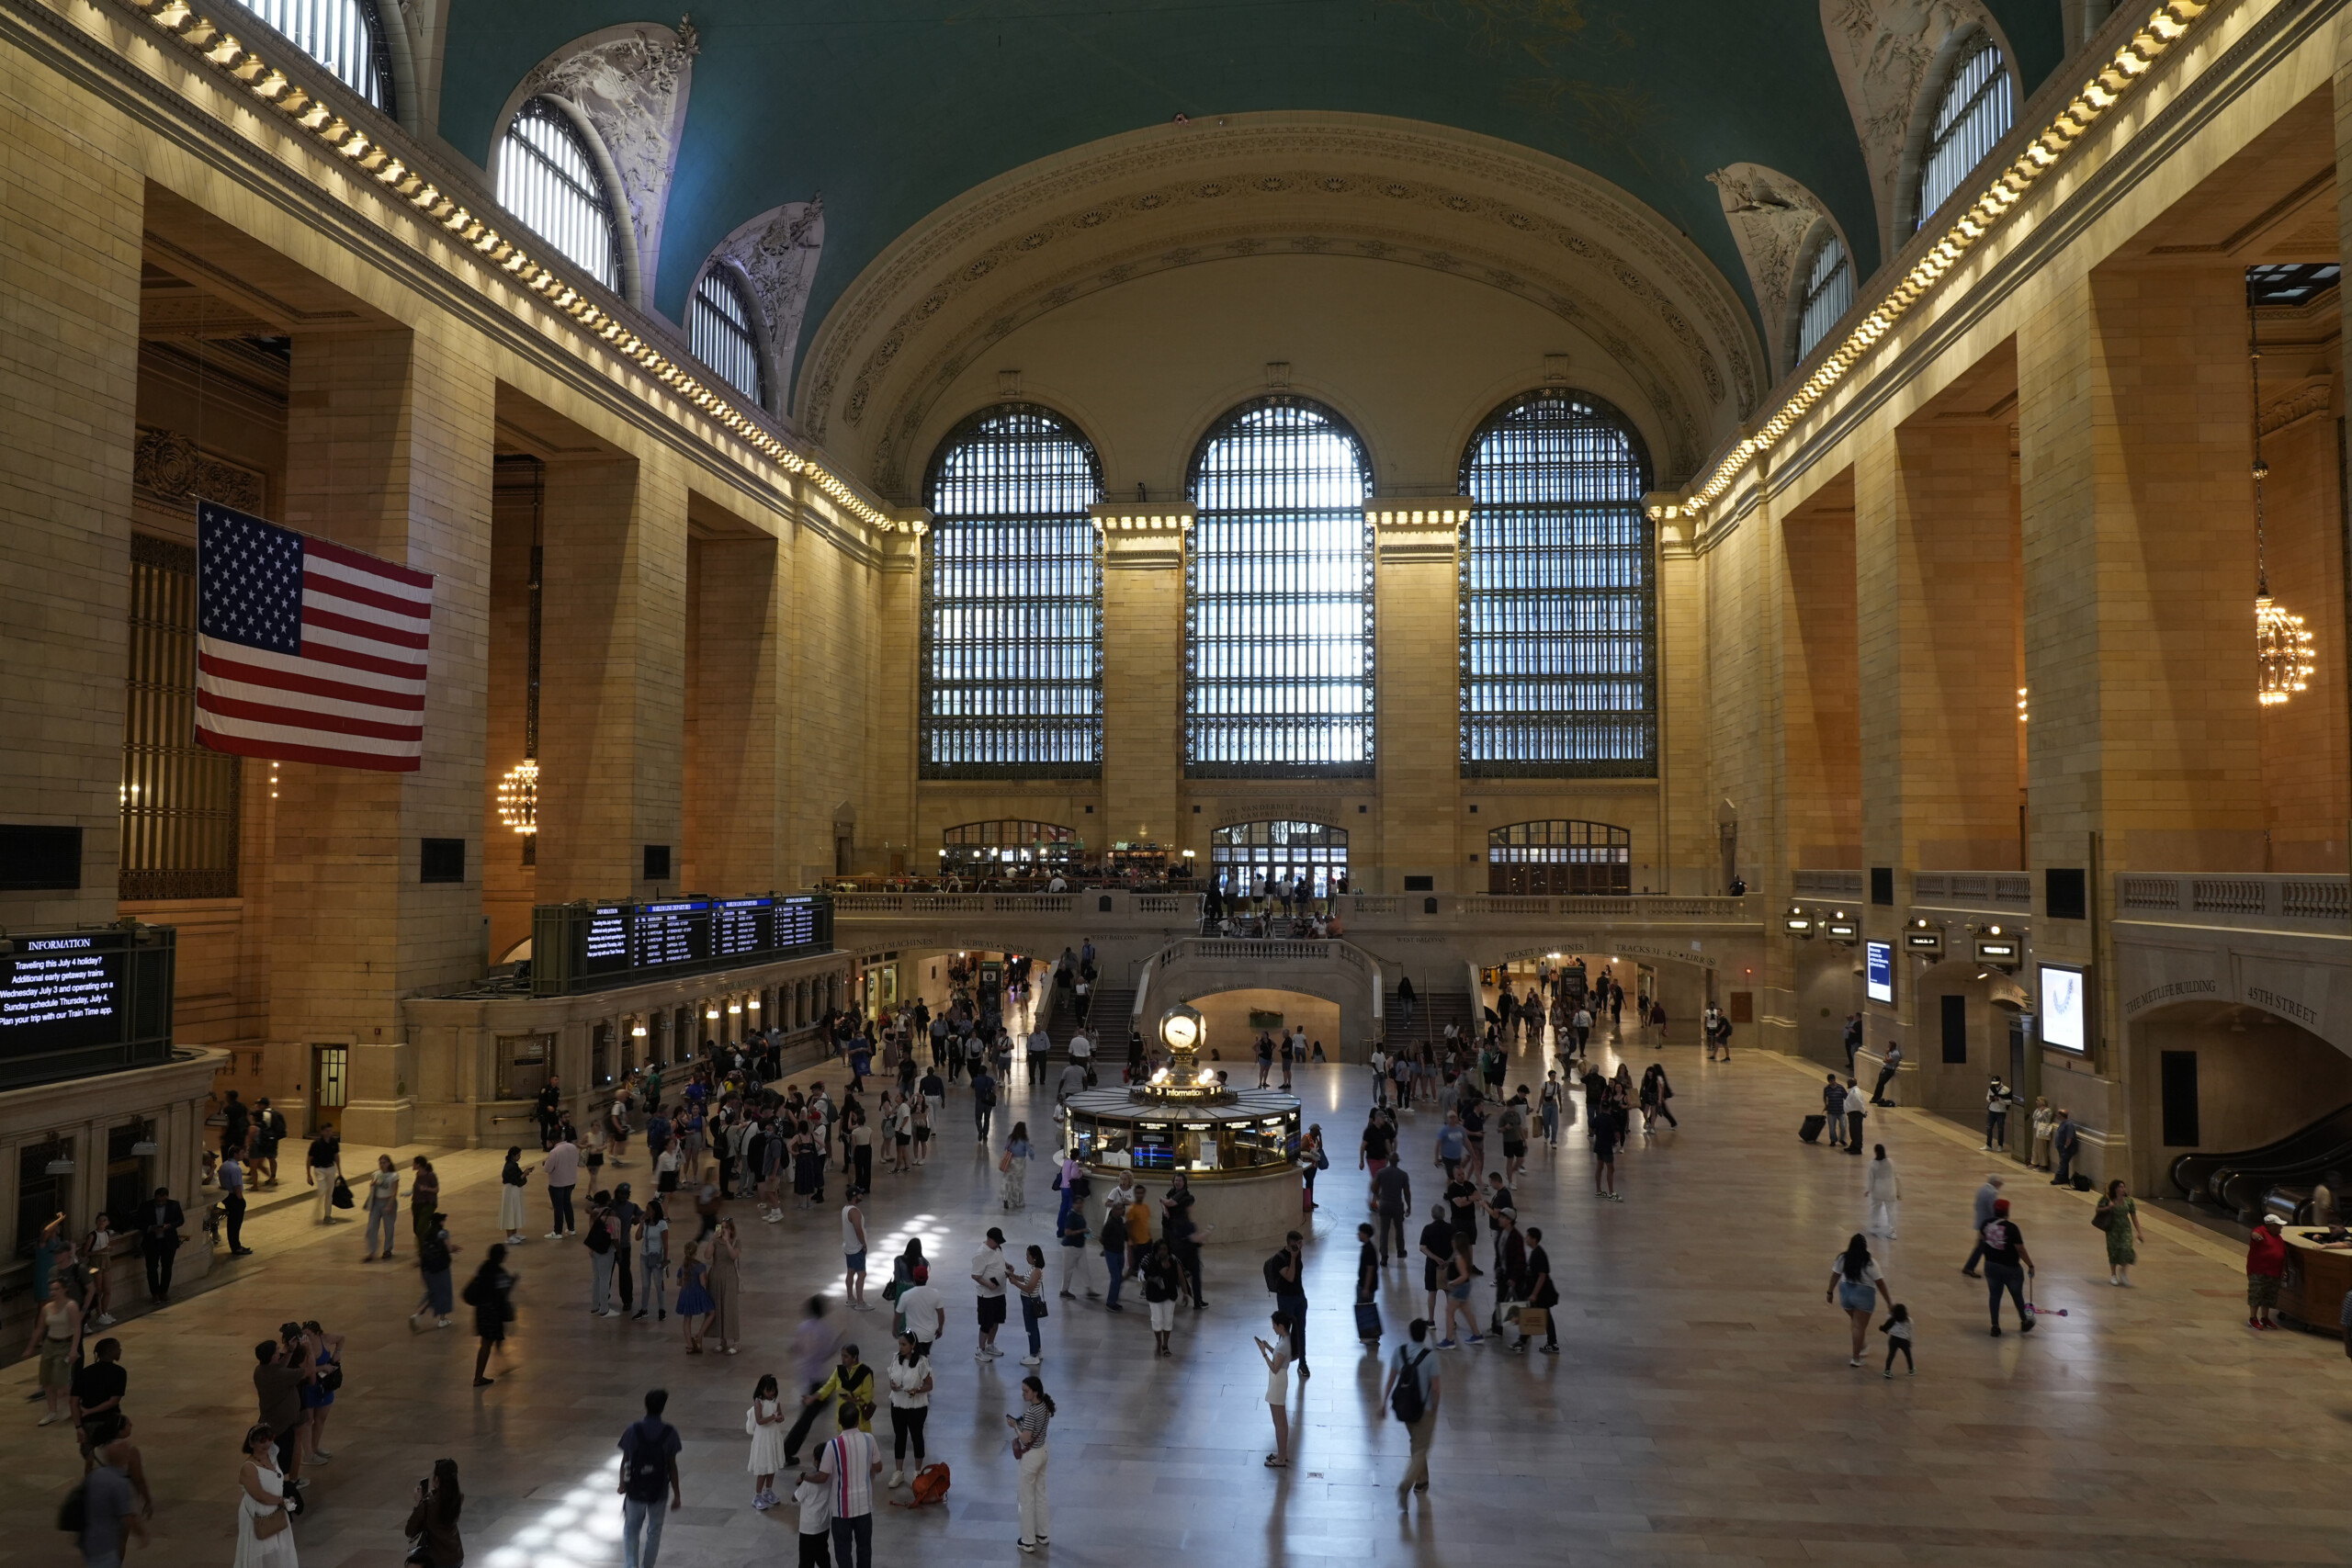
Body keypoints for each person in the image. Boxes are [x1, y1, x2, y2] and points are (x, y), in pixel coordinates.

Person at [616, 1388, 683, 1568]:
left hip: (635, 1489)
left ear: (645, 1405)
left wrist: (622, 1483)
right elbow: (672, 1466)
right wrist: (677, 1495)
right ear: (663, 1407)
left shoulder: (632, 1430)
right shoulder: (670, 1433)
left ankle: (631, 1565)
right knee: (654, 1530)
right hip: (658, 1490)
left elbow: (625, 1460)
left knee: (631, 1529)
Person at [816, 1395, 882, 1568]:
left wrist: (805, 1477)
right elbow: (878, 1467)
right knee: (864, 1548)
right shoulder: (869, 1439)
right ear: (858, 1421)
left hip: (841, 1509)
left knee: (843, 1550)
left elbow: (823, 1476)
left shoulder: (832, 1445)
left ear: (839, 1421)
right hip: (863, 1506)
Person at [74, 1412, 145, 1568]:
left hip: (98, 1504)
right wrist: (146, 1499)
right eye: (129, 1424)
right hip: (117, 1503)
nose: (131, 1426)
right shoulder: (129, 1454)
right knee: (121, 1540)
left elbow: (87, 1477)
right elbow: (138, 1478)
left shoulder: (94, 1452)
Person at [1385, 1317, 1441, 1503]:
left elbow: (1391, 1379)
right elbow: (1435, 1388)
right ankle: (1406, 1483)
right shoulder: (1431, 1357)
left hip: (1405, 1408)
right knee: (1421, 1448)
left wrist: (1383, 1403)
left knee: (1417, 1444)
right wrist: (1435, 1407)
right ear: (1424, 1335)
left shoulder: (1399, 1352)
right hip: (1425, 1409)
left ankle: (1422, 1481)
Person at [232, 1421, 295, 1568]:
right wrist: (282, 1501)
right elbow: (259, 1495)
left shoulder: (272, 1457)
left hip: (275, 1512)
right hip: (258, 1515)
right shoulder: (249, 1467)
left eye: (270, 1439)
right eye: (261, 1440)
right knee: (259, 1552)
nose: (266, 1444)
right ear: (251, 1443)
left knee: (278, 1550)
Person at [1826, 1234, 1890, 1368]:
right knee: (1859, 1326)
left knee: (1856, 1323)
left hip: (1846, 1294)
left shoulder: (1843, 1258)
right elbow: (1880, 1283)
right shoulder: (1870, 1262)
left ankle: (1862, 1346)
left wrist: (1830, 1292)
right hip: (1863, 1296)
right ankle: (1856, 1358)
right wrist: (1889, 1303)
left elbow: (1835, 1276)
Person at [1007, 1375, 1055, 1553]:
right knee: (1040, 1494)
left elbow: (1025, 1439)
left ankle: (1027, 1540)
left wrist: (1015, 1426)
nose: (1023, 1394)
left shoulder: (1032, 1412)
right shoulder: (1045, 1406)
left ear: (1035, 1392)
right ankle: (1043, 1534)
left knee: (1026, 1499)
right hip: (1043, 1452)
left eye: (1026, 1391)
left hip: (1031, 1457)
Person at [26, 1275, 81, 1426]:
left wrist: (73, 1350)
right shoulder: (46, 1308)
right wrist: (30, 1348)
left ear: (64, 1290)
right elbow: (39, 1329)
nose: (53, 1292)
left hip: (64, 1345)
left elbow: (77, 1328)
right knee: (47, 1381)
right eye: (51, 1289)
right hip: (49, 1345)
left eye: (56, 1289)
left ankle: (76, 1405)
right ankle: (52, 1412)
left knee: (61, 1381)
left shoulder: (71, 1306)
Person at [1980, 1198, 2036, 1336]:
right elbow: (2020, 1249)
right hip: (2010, 1268)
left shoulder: (1986, 1224)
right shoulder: (2012, 1228)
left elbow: (1983, 1240)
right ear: (2007, 1212)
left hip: (1991, 1265)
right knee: (2017, 1295)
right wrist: (2030, 1264)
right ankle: (2024, 1321)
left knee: (1994, 1296)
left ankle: (1995, 1325)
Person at [885, 1332, 933, 1489]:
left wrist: (917, 1390)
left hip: (916, 1407)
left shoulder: (922, 1362)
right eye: (900, 1344)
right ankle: (898, 1472)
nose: (901, 1347)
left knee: (916, 1437)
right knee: (900, 1436)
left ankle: (918, 1472)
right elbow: (892, 1377)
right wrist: (892, 1385)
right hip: (898, 1404)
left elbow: (929, 1385)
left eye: (904, 1344)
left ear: (913, 1345)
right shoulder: (896, 1358)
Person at [464, 1245, 516, 1386]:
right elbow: (504, 1292)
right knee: (487, 1344)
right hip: (493, 1312)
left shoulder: (483, 1267)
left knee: (486, 1342)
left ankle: (482, 1373)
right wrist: (512, 1282)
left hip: (481, 1310)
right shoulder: (499, 1272)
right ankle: (478, 1377)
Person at [404, 1458, 464, 1567]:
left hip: (437, 1561)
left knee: (411, 1564)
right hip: (456, 1556)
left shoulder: (427, 1505)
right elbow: (444, 1499)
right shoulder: (458, 1497)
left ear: (437, 1480)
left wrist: (419, 1504)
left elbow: (410, 1531)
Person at [1266, 1229, 1309, 1378]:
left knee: (1301, 1331)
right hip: (1286, 1299)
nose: (1300, 1246)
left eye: (1301, 1243)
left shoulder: (1298, 1254)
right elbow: (1290, 1277)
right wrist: (1292, 1257)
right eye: (1297, 1244)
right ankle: (1279, 1363)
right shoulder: (1279, 1258)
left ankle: (1302, 1363)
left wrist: (1295, 1256)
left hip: (1299, 1297)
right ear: (1290, 1244)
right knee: (1284, 1332)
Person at [298, 1319, 343, 1462]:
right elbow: (303, 1371)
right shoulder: (302, 1349)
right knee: (308, 1421)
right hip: (309, 1388)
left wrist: (338, 1352)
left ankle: (315, 1447)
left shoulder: (325, 1339)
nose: (305, 1338)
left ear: (317, 1333)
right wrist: (322, 1367)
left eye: (308, 1335)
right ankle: (308, 1454)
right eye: (303, 1335)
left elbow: (341, 1338)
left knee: (320, 1418)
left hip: (325, 1386)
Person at [1255, 1312, 1294, 1469]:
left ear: (1281, 1326)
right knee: (1282, 1421)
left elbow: (1275, 1367)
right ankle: (1282, 1453)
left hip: (1277, 1383)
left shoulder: (1284, 1344)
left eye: (1274, 1325)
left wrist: (1263, 1352)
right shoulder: (1285, 1340)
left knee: (1279, 1423)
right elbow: (1278, 1356)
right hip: (1279, 1381)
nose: (1273, 1328)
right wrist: (1269, 1347)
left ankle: (1281, 1459)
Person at [747, 1374, 790, 1510]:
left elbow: (780, 1415)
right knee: (763, 1468)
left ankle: (768, 1491)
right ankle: (757, 1496)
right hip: (763, 1438)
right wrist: (773, 1417)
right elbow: (759, 1421)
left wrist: (780, 1418)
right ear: (762, 1389)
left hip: (773, 1435)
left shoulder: (776, 1400)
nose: (771, 1393)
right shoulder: (758, 1401)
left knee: (772, 1466)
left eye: (773, 1390)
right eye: (768, 1390)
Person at [1515, 1225, 1560, 1354]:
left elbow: (1542, 1275)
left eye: (1527, 1236)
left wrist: (1534, 1294)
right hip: (1541, 1292)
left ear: (1533, 1239)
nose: (1526, 1238)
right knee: (1545, 1316)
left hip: (1542, 1293)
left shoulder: (1538, 1254)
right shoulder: (1536, 1252)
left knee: (1535, 1315)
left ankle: (1522, 1341)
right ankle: (1551, 1343)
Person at [412, 1210, 457, 1329]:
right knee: (444, 1292)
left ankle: (417, 1314)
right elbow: (449, 1249)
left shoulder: (427, 1233)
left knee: (432, 1292)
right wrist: (454, 1248)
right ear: (440, 1222)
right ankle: (442, 1319)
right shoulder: (443, 1233)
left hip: (426, 1268)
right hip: (440, 1267)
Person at [136, 1188, 183, 1303]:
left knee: (167, 1267)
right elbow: (138, 1222)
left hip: (168, 1242)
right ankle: (155, 1294)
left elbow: (180, 1220)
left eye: (162, 1201)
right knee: (152, 1268)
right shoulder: (146, 1206)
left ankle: (164, 1292)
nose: (160, 1203)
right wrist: (151, 1228)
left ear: (167, 1197)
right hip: (152, 1242)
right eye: (158, 1201)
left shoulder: (174, 1205)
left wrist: (169, 1226)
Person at [972, 1226, 1010, 1358]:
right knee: (986, 1324)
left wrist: (1007, 1265)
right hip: (986, 1296)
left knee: (996, 1321)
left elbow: (999, 1261)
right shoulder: (980, 1254)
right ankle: (981, 1350)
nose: (998, 1244)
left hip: (999, 1292)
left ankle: (990, 1344)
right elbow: (975, 1275)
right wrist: (989, 1284)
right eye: (997, 1241)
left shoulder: (997, 1248)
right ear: (989, 1239)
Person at [707, 1217, 742, 1354]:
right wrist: (712, 1240)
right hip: (715, 1276)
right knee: (718, 1307)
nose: (723, 1230)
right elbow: (707, 1255)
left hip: (729, 1278)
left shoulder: (736, 1242)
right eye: (721, 1227)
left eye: (726, 1227)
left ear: (731, 1229)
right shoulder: (716, 1242)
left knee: (729, 1308)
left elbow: (733, 1256)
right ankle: (722, 1340)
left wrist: (727, 1242)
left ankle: (736, 1342)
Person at [2099, 1178, 2145, 1286]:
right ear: (2115, 1189)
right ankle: (2113, 1275)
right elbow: (2098, 1209)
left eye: (2124, 1186)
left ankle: (2123, 1271)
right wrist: (2107, 1208)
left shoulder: (2129, 1201)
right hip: (2112, 1229)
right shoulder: (2107, 1199)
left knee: (2127, 1249)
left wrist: (2139, 1232)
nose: (2123, 1189)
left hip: (2125, 1229)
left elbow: (2134, 1217)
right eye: (2120, 1187)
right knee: (2113, 1251)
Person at [2248, 1213, 2290, 1329]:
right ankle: (2253, 1318)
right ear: (2271, 1225)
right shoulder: (2261, 1231)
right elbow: (2254, 1234)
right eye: (2279, 1225)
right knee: (2256, 1294)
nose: (2281, 1227)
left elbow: (2283, 1255)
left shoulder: (2279, 1238)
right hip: (2259, 1271)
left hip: (2274, 1272)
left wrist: (2284, 1270)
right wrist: (2255, 1236)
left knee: (2269, 1296)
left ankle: (2265, 1318)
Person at [676, 1240, 717, 1351]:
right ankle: (699, 1335)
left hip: (685, 1294)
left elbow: (679, 1283)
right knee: (712, 1313)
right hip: (698, 1293)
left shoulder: (682, 1266)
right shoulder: (700, 1266)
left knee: (687, 1319)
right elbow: (703, 1283)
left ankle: (689, 1345)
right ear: (696, 1252)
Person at [1960, 1174, 2004, 1278]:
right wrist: (1999, 1221)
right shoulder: (1991, 1192)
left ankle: (1974, 1267)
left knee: (1985, 1247)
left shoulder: (1982, 1189)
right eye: (2000, 1184)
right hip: (1988, 1225)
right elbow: (1992, 1209)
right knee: (1984, 1247)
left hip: (1981, 1222)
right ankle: (1970, 1267)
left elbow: (1976, 1205)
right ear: (1996, 1183)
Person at [1372, 1155, 1411, 1265]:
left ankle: (1384, 1257)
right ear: (1398, 1161)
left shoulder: (1381, 1172)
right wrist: (1409, 1206)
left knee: (1384, 1231)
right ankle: (1400, 1251)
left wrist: (1379, 1197)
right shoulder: (1403, 1175)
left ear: (1388, 1160)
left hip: (1384, 1205)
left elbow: (1374, 1187)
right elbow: (1407, 1193)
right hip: (1397, 1205)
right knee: (1399, 1229)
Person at [363, 1155, 401, 1261]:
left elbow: (394, 1191)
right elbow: (373, 1188)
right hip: (376, 1202)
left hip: (388, 1201)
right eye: (380, 1163)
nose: (382, 1165)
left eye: (384, 1163)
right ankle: (372, 1251)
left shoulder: (394, 1175)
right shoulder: (376, 1174)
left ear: (389, 1163)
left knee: (389, 1227)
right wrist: (372, 1184)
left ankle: (387, 1249)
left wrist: (390, 1204)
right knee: (371, 1227)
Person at [220, 1146, 254, 1256]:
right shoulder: (235, 1168)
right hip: (234, 1197)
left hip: (227, 1197)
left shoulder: (224, 1165)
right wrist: (241, 1200)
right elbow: (236, 1186)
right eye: (242, 1153)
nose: (244, 1155)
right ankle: (236, 1247)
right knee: (235, 1224)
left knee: (232, 1223)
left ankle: (235, 1245)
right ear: (235, 1154)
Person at [499, 1146, 535, 1247]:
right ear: (513, 1156)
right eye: (518, 1155)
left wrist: (525, 1172)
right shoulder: (509, 1166)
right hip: (510, 1191)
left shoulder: (513, 1165)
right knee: (510, 1212)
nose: (520, 1157)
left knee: (515, 1211)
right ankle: (509, 1236)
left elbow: (518, 1177)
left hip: (515, 1191)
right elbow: (515, 1180)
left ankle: (514, 1233)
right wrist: (524, 1174)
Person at [306, 1126, 343, 1224]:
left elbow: (336, 1157)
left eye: (331, 1131)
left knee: (330, 1194)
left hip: (331, 1168)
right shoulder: (316, 1144)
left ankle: (327, 1216)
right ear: (322, 1132)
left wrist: (339, 1171)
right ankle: (317, 1208)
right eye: (327, 1131)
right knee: (322, 1190)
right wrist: (308, 1175)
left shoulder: (334, 1142)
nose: (329, 1133)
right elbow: (309, 1159)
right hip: (319, 1169)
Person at [1864, 1145, 1901, 1237]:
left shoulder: (1872, 1164)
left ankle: (1874, 1225)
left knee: (1875, 1208)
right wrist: (1899, 1192)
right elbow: (1896, 1177)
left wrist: (1868, 1190)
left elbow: (1870, 1179)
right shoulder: (1890, 1162)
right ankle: (1892, 1231)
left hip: (1877, 1190)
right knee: (1891, 1211)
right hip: (1890, 1190)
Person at [841, 1195, 869, 1312]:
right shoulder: (854, 1211)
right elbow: (858, 1230)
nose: (861, 1196)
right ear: (853, 1197)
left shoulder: (845, 1208)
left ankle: (850, 1298)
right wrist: (863, 1244)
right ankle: (860, 1302)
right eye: (859, 1194)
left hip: (848, 1246)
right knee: (861, 1274)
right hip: (856, 1248)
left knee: (850, 1272)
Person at [409, 1157, 441, 1252]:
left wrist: (426, 1189)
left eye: (414, 1163)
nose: (412, 1165)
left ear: (419, 1165)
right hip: (416, 1203)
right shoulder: (418, 1174)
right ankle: (430, 1241)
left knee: (421, 1228)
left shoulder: (430, 1175)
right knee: (416, 1229)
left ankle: (424, 1251)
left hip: (428, 1203)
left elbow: (436, 1189)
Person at [1000, 1122, 1031, 1211]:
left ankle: (1006, 1197)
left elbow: (1006, 1147)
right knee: (1018, 1182)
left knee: (1007, 1180)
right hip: (1020, 1163)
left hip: (1010, 1161)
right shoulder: (1024, 1139)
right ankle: (1017, 1201)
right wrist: (1032, 1155)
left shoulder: (1011, 1137)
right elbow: (1029, 1150)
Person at [1880, 1304, 1915, 1378]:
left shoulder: (1892, 1319)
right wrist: (1910, 1341)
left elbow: (1888, 1316)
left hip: (1893, 1339)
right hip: (1904, 1340)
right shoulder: (1909, 1320)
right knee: (1908, 1355)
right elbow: (1909, 1332)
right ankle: (1911, 1369)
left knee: (1891, 1355)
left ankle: (1887, 1370)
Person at [2050, 1109, 2080, 1186]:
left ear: (2061, 1115)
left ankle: (2058, 1178)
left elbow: (2069, 1138)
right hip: (2061, 1148)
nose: (2057, 1115)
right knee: (2064, 1163)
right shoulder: (2063, 1123)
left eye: (2058, 1114)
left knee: (2063, 1163)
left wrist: (2065, 1147)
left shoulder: (2068, 1125)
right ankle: (2065, 1178)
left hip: (2067, 1149)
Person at [1870, 1041, 1903, 1105]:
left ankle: (1876, 1098)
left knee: (1881, 1083)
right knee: (1879, 1083)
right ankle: (1876, 1097)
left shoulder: (1896, 1054)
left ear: (1892, 1046)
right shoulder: (1890, 1052)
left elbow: (1887, 1060)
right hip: (1885, 1068)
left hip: (1889, 1070)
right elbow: (1885, 1060)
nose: (1888, 1046)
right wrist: (1887, 1055)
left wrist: (1887, 1054)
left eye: (1889, 1045)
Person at [1983, 1077, 2010, 1152]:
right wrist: (1991, 1099)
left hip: (2001, 1112)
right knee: (1989, 1127)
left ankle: (2000, 1145)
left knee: (2000, 1129)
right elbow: (1987, 1097)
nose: (1995, 1085)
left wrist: (2000, 1100)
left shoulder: (2006, 1089)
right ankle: (1988, 1145)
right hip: (1992, 1111)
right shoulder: (1991, 1088)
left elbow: (2010, 1101)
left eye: (1997, 1083)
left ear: (2000, 1082)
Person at [1842, 1077, 1867, 1157]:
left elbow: (1859, 1104)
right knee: (1853, 1131)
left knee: (1857, 1131)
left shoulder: (1855, 1092)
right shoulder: (1852, 1091)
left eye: (1848, 1082)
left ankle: (1858, 1148)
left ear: (1852, 1083)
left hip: (1856, 1114)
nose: (1847, 1084)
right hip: (1853, 1114)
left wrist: (1862, 1112)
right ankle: (1853, 1145)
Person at [2030, 1097, 2055, 1170]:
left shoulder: (2047, 1110)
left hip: (2042, 1129)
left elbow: (2042, 1119)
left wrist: (2042, 1112)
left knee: (2041, 1147)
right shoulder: (2037, 1109)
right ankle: (2034, 1162)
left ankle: (2043, 1164)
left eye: (2038, 1101)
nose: (2036, 1102)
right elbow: (2034, 1117)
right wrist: (2039, 1111)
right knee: (2035, 1146)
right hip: (2036, 1128)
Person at [1823, 1073, 1849, 1147]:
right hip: (1831, 1111)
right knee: (1832, 1128)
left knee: (1843, 1126)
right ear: (1828, 1081)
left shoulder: (1841, 1088)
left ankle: (1842, 1139)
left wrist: (1847, 1106)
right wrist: (1826, 1105)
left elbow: (1846, 1097)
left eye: (1833, 1080)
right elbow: (1824, 1097)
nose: (1833, 1082)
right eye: (1831, 1081)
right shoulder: (1826, 1089)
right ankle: (1833, 1140)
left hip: (1841, 1110)